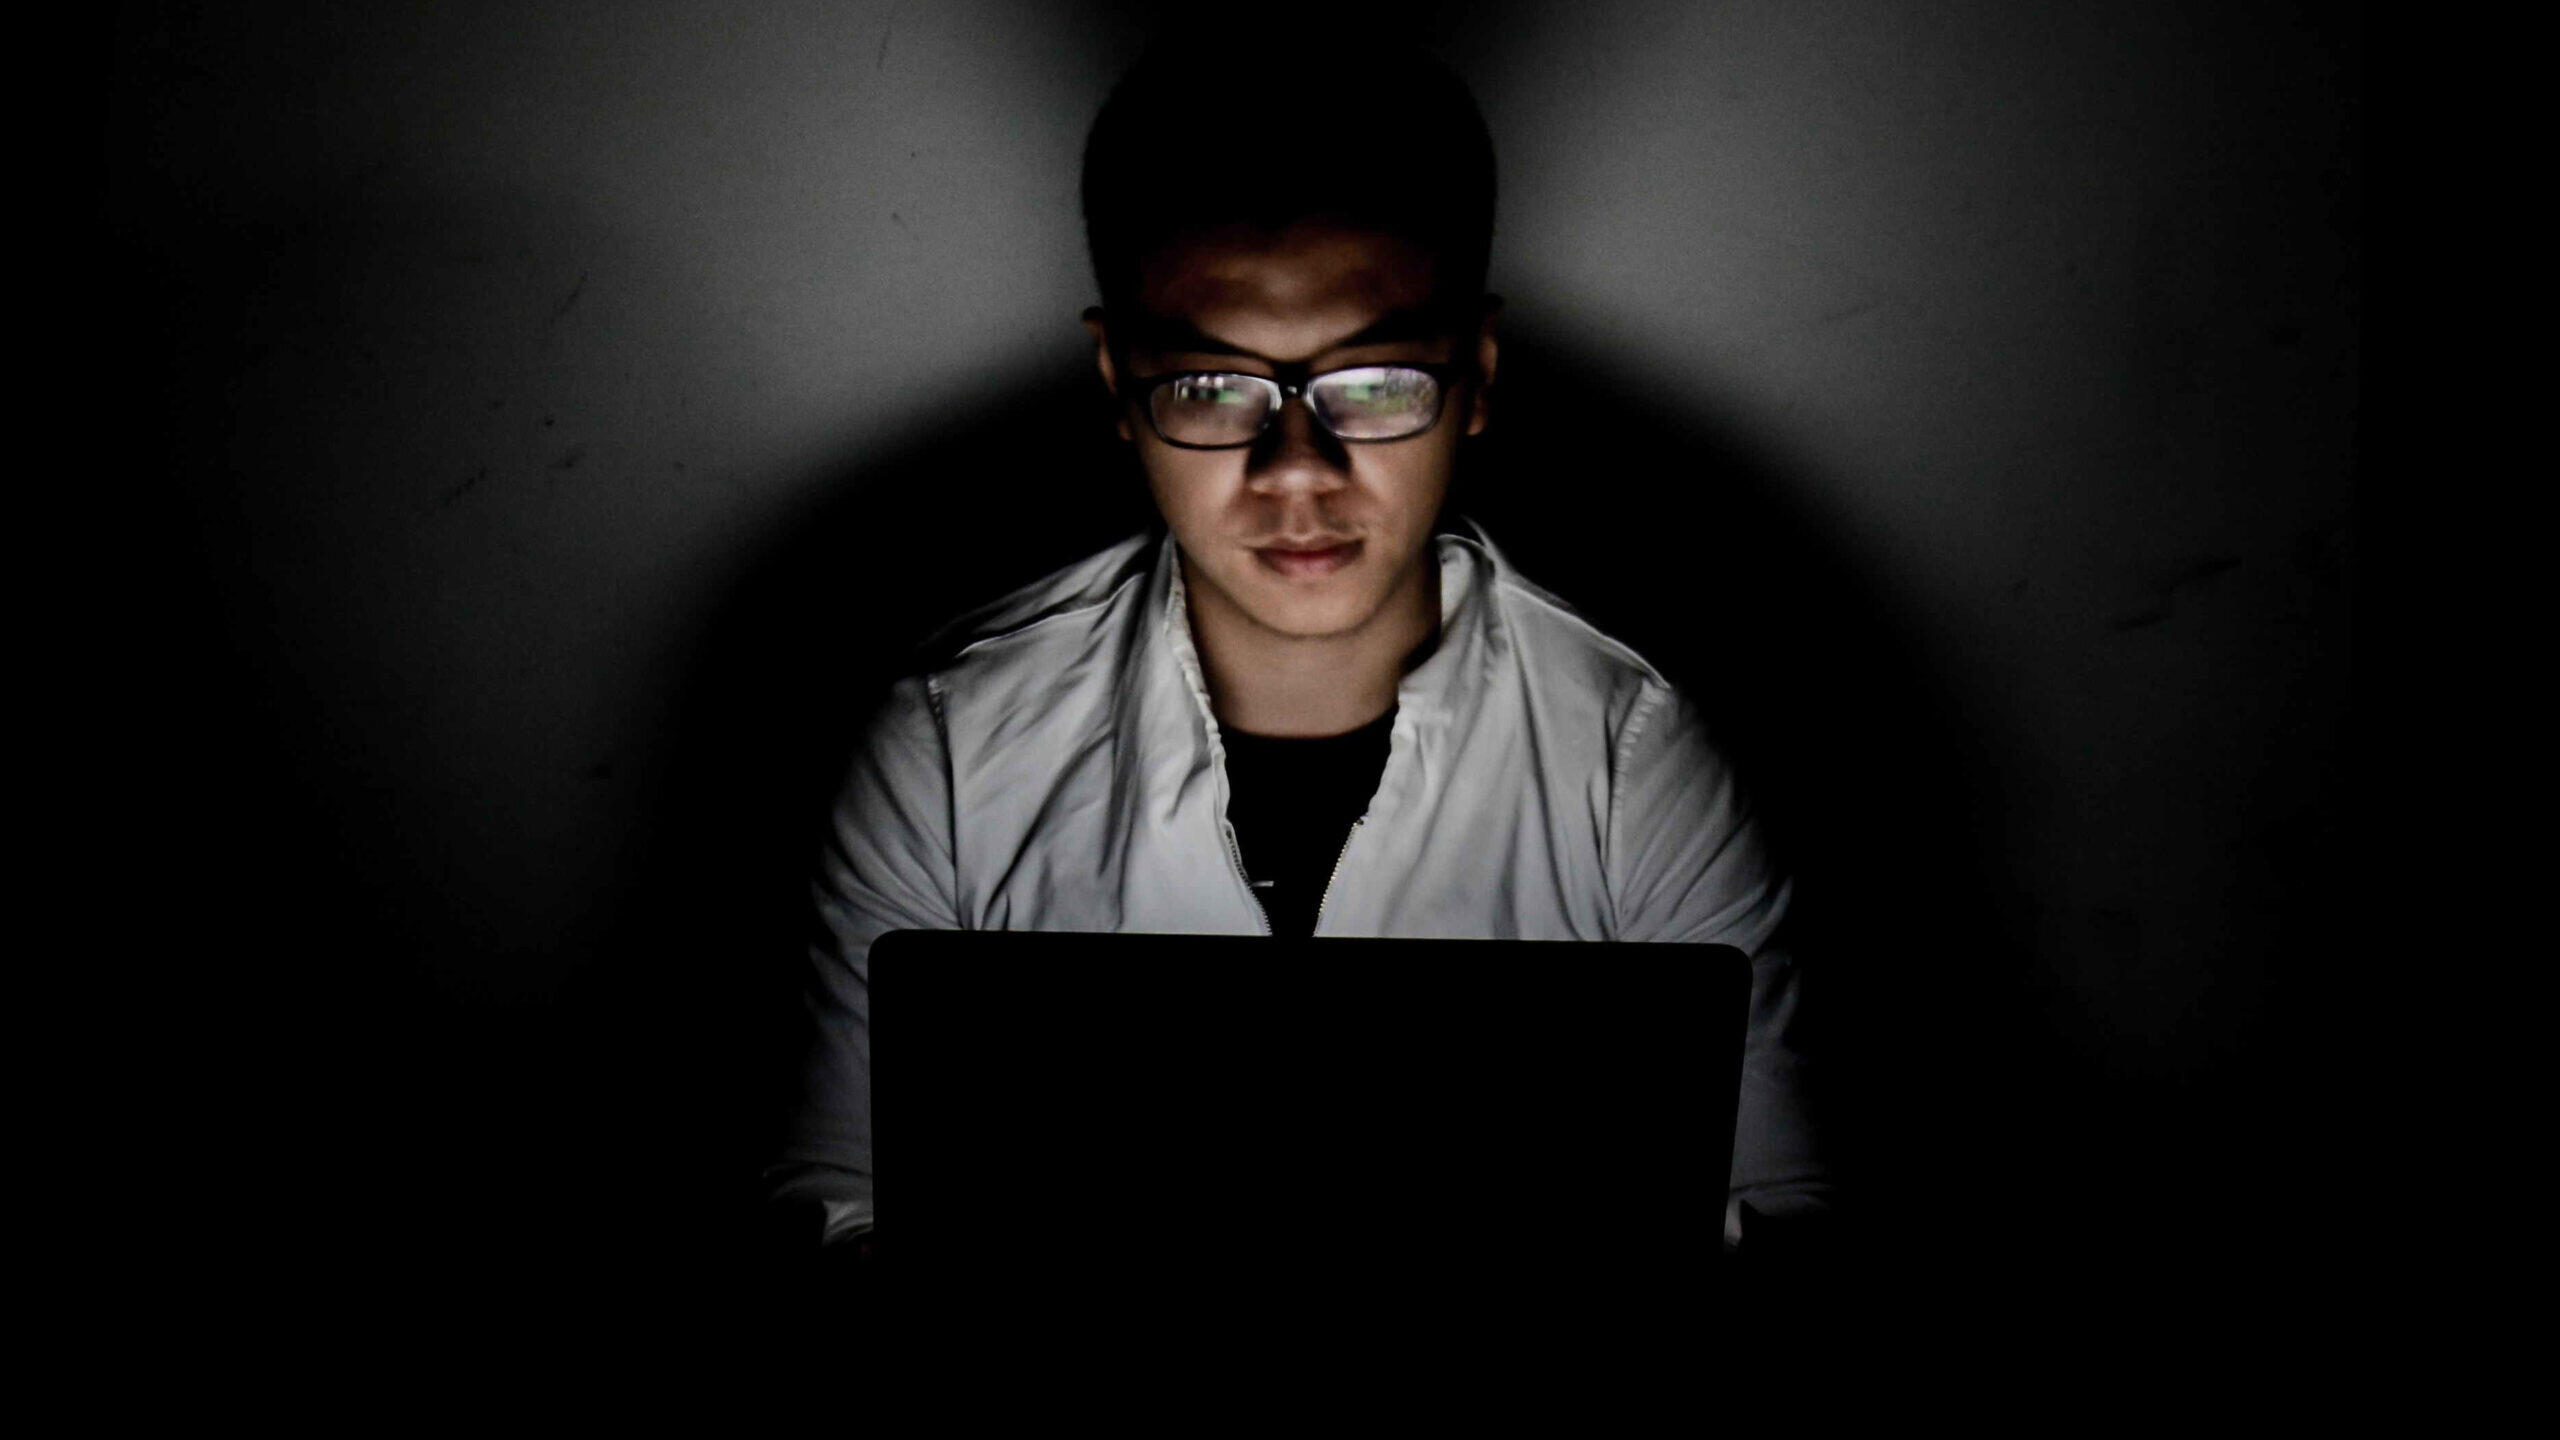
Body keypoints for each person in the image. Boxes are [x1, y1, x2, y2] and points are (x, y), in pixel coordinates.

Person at [765, 33, 1831, 1268]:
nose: (1295, 474)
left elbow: (1773, 1211)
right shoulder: (950, 746)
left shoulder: (1630, 758)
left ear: (1474, 375)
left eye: (1373, 382)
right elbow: (844, 1200)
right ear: (1119, 384)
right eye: (1214, 388)